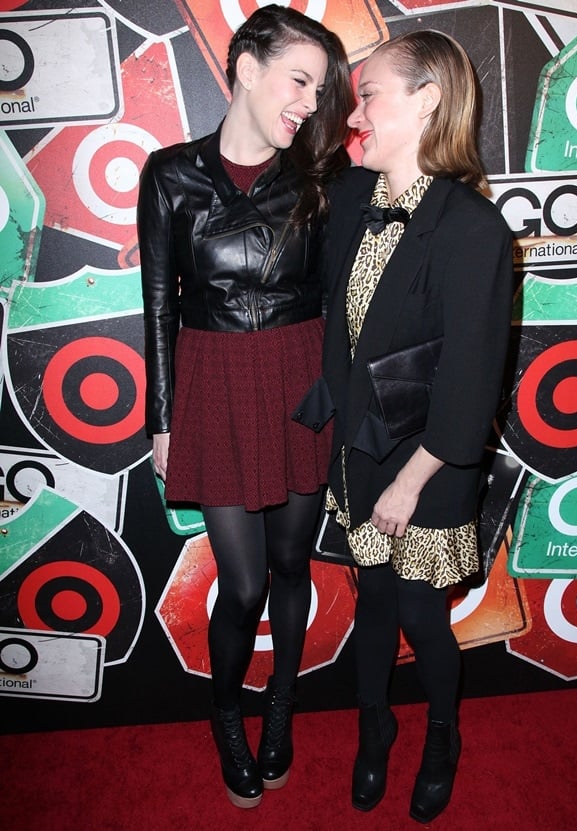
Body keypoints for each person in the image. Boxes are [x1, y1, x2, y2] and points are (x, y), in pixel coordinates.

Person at [137, 5, 353, 810]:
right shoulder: (170, 173)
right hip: (216, 383)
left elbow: (340, 297)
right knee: (244, 583)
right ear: (247, 69)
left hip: (298, 375)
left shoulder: (320, 177)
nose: (308, 100)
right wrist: (163, 419)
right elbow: (159, 303)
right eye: (299, 80)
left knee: (294, 562)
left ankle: (282, 702)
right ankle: (227, 708)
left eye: (319, 88)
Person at [296, 29, 514, 824]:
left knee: (422, 614)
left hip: (429, 462)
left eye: (372, 94)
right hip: (360, 449)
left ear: (426, 101)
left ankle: (444, 733)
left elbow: (471, 379)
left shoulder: (473, 229)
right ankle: (374, 724)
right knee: (373, 601)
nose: (357, 112)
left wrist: (409, 482)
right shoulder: (354, 197)